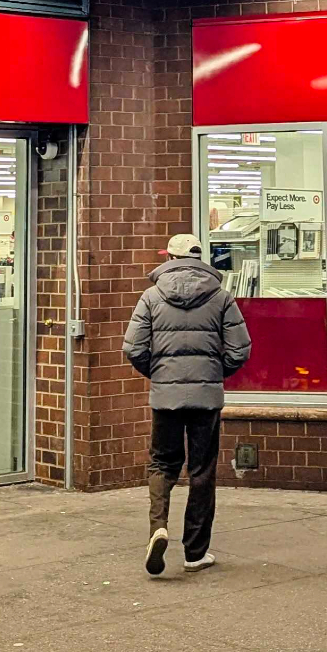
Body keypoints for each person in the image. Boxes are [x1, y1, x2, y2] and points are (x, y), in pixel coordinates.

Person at [123, 233, 251, 577]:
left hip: (165, 397)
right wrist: (213, 373)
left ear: (170, 259)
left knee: (162, 464)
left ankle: (158, 529)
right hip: (207, 400)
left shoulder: (151, 297)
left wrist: (160, 373)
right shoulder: (222, 297)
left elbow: (133, 348)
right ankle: (195, 553)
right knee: (202, 471)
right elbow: (240, 349)